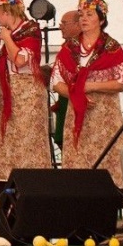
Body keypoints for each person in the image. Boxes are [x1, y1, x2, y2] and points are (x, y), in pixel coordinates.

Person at [51, 0, 123, 188]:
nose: (83, 19)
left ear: (101, 20)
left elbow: (122, 82)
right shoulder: (70, 47)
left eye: (90, 14)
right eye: (81, 14)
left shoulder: (112, 47)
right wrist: (77, 95)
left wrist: (91, 86)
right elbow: (56, 82)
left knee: (106, 164)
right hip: (78, 115)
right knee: (78, 164)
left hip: (104, 118)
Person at [0, 0, 51, 205]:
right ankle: (5, 203)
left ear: (7, 11)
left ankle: (31, 200)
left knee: (26, 146)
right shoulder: (3, 34)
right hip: (6, 95)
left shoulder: (30, 30)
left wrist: (7, 39)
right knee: (6, 148)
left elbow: (21, 59)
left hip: (26, 97)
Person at [50, 10, 81, 150]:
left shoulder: (84, 47)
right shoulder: (67, 47)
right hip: (65, 101)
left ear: (78, 25)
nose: (60, 26)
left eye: (64, 23)